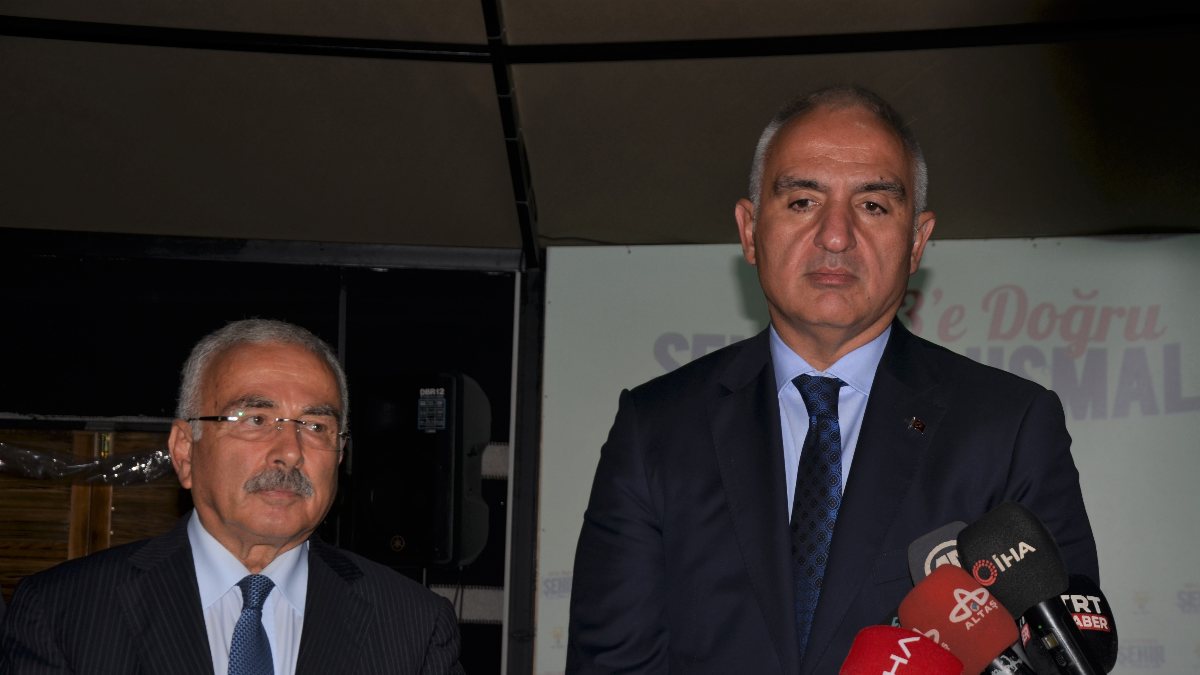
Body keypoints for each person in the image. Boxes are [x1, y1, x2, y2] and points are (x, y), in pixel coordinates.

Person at [566, 85, 1099, 674]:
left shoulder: (1010, 427)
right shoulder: (656, 428)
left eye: (873, 206)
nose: (836, 235)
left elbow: (1062, 655)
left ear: (917, 241)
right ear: (749, 230)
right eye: (802, 201)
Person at [0, 319, 464, 674]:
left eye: (315, 426)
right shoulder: (65, 613)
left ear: (340, 455)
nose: (290, 452)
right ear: (185, 451)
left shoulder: (413, 626)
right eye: (256, 420)